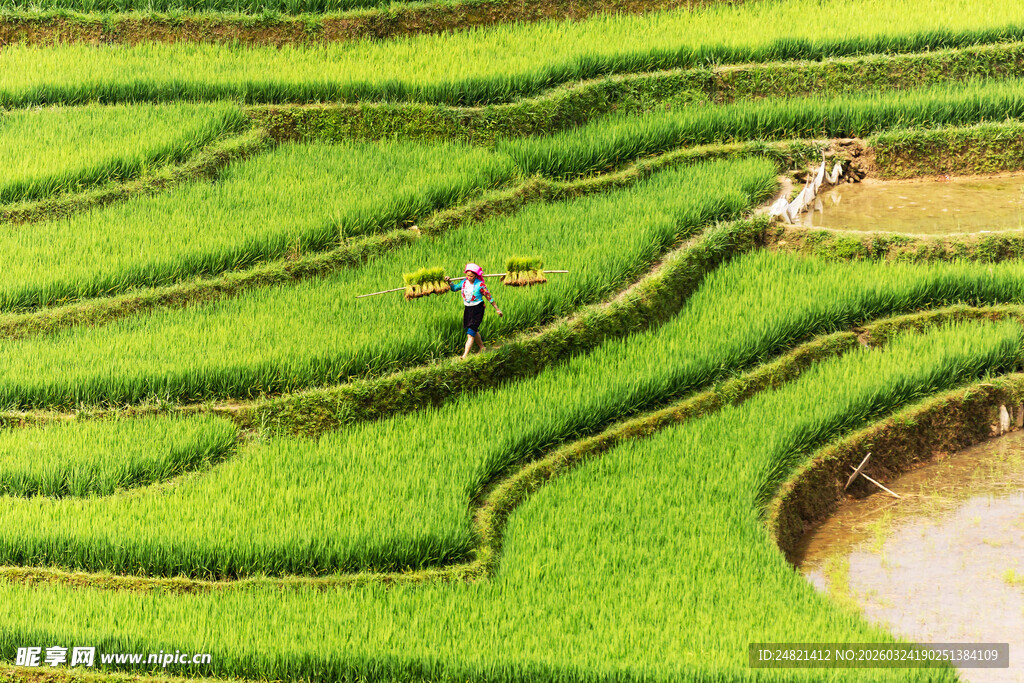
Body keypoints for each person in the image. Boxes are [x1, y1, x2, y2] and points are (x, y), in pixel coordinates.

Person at [446, 263, 502, 359]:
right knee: (472, 330)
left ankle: (464, 356)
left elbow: (489, 297)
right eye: (467, 275)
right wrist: (449, 282)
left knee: (470, 333)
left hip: (477, 310)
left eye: (471, 276)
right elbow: (454, 288)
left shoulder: (480, 285)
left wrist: (497, 309)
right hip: (468, 309)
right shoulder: (464, 283)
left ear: (476, 275)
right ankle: (482, 347)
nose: (469, 278)